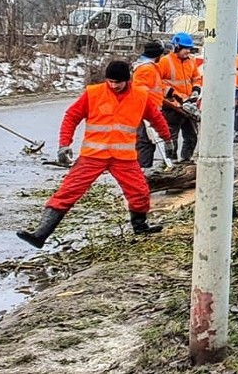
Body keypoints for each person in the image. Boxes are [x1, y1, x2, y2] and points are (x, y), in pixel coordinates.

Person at [16, 60, 170, 249]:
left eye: (118, 83)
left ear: (127, 81)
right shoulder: (94, 93)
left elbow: (156, 118)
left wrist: (167, 139)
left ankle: (140, 227)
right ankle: (40, 234)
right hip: (93, 155)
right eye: (110, 81)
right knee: (68, 191)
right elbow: (71, 116)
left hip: (123, 158)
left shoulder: (140, 96)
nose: (113, 86)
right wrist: (64, 145)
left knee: (139, 193)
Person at [157, 33, 203, 162]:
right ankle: (171, 162)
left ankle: (186, 159)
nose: (188, 51)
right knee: (172, 136)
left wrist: (195, 90)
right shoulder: (165, 61)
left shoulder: (191, 61)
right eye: (185, 48)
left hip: (188, 103)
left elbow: (196, 78)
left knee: (192, 135)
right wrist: (169, 92)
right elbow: (156, 81)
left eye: (189, 48)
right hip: (172, 105)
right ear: (176, 47)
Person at [132, 40, 171, 169]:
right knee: (145, 142)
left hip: (150, 110)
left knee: (149, 141)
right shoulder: (146, 69)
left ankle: (144, 169)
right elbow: (141, 92)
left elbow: (154, 88)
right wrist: (147, 111)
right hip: (146, 112)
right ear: (158, 54)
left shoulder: (150, 67)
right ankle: (142, 170)